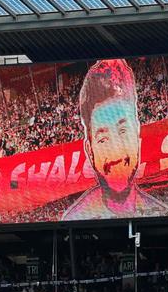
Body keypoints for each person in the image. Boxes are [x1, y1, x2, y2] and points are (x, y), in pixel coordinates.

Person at [60, 60, 162, 222]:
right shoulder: (74, 221)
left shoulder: (161, 215)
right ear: (89, 150)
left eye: (123, 131)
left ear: (137, 136)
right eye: (103, 139)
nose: (116, 153)